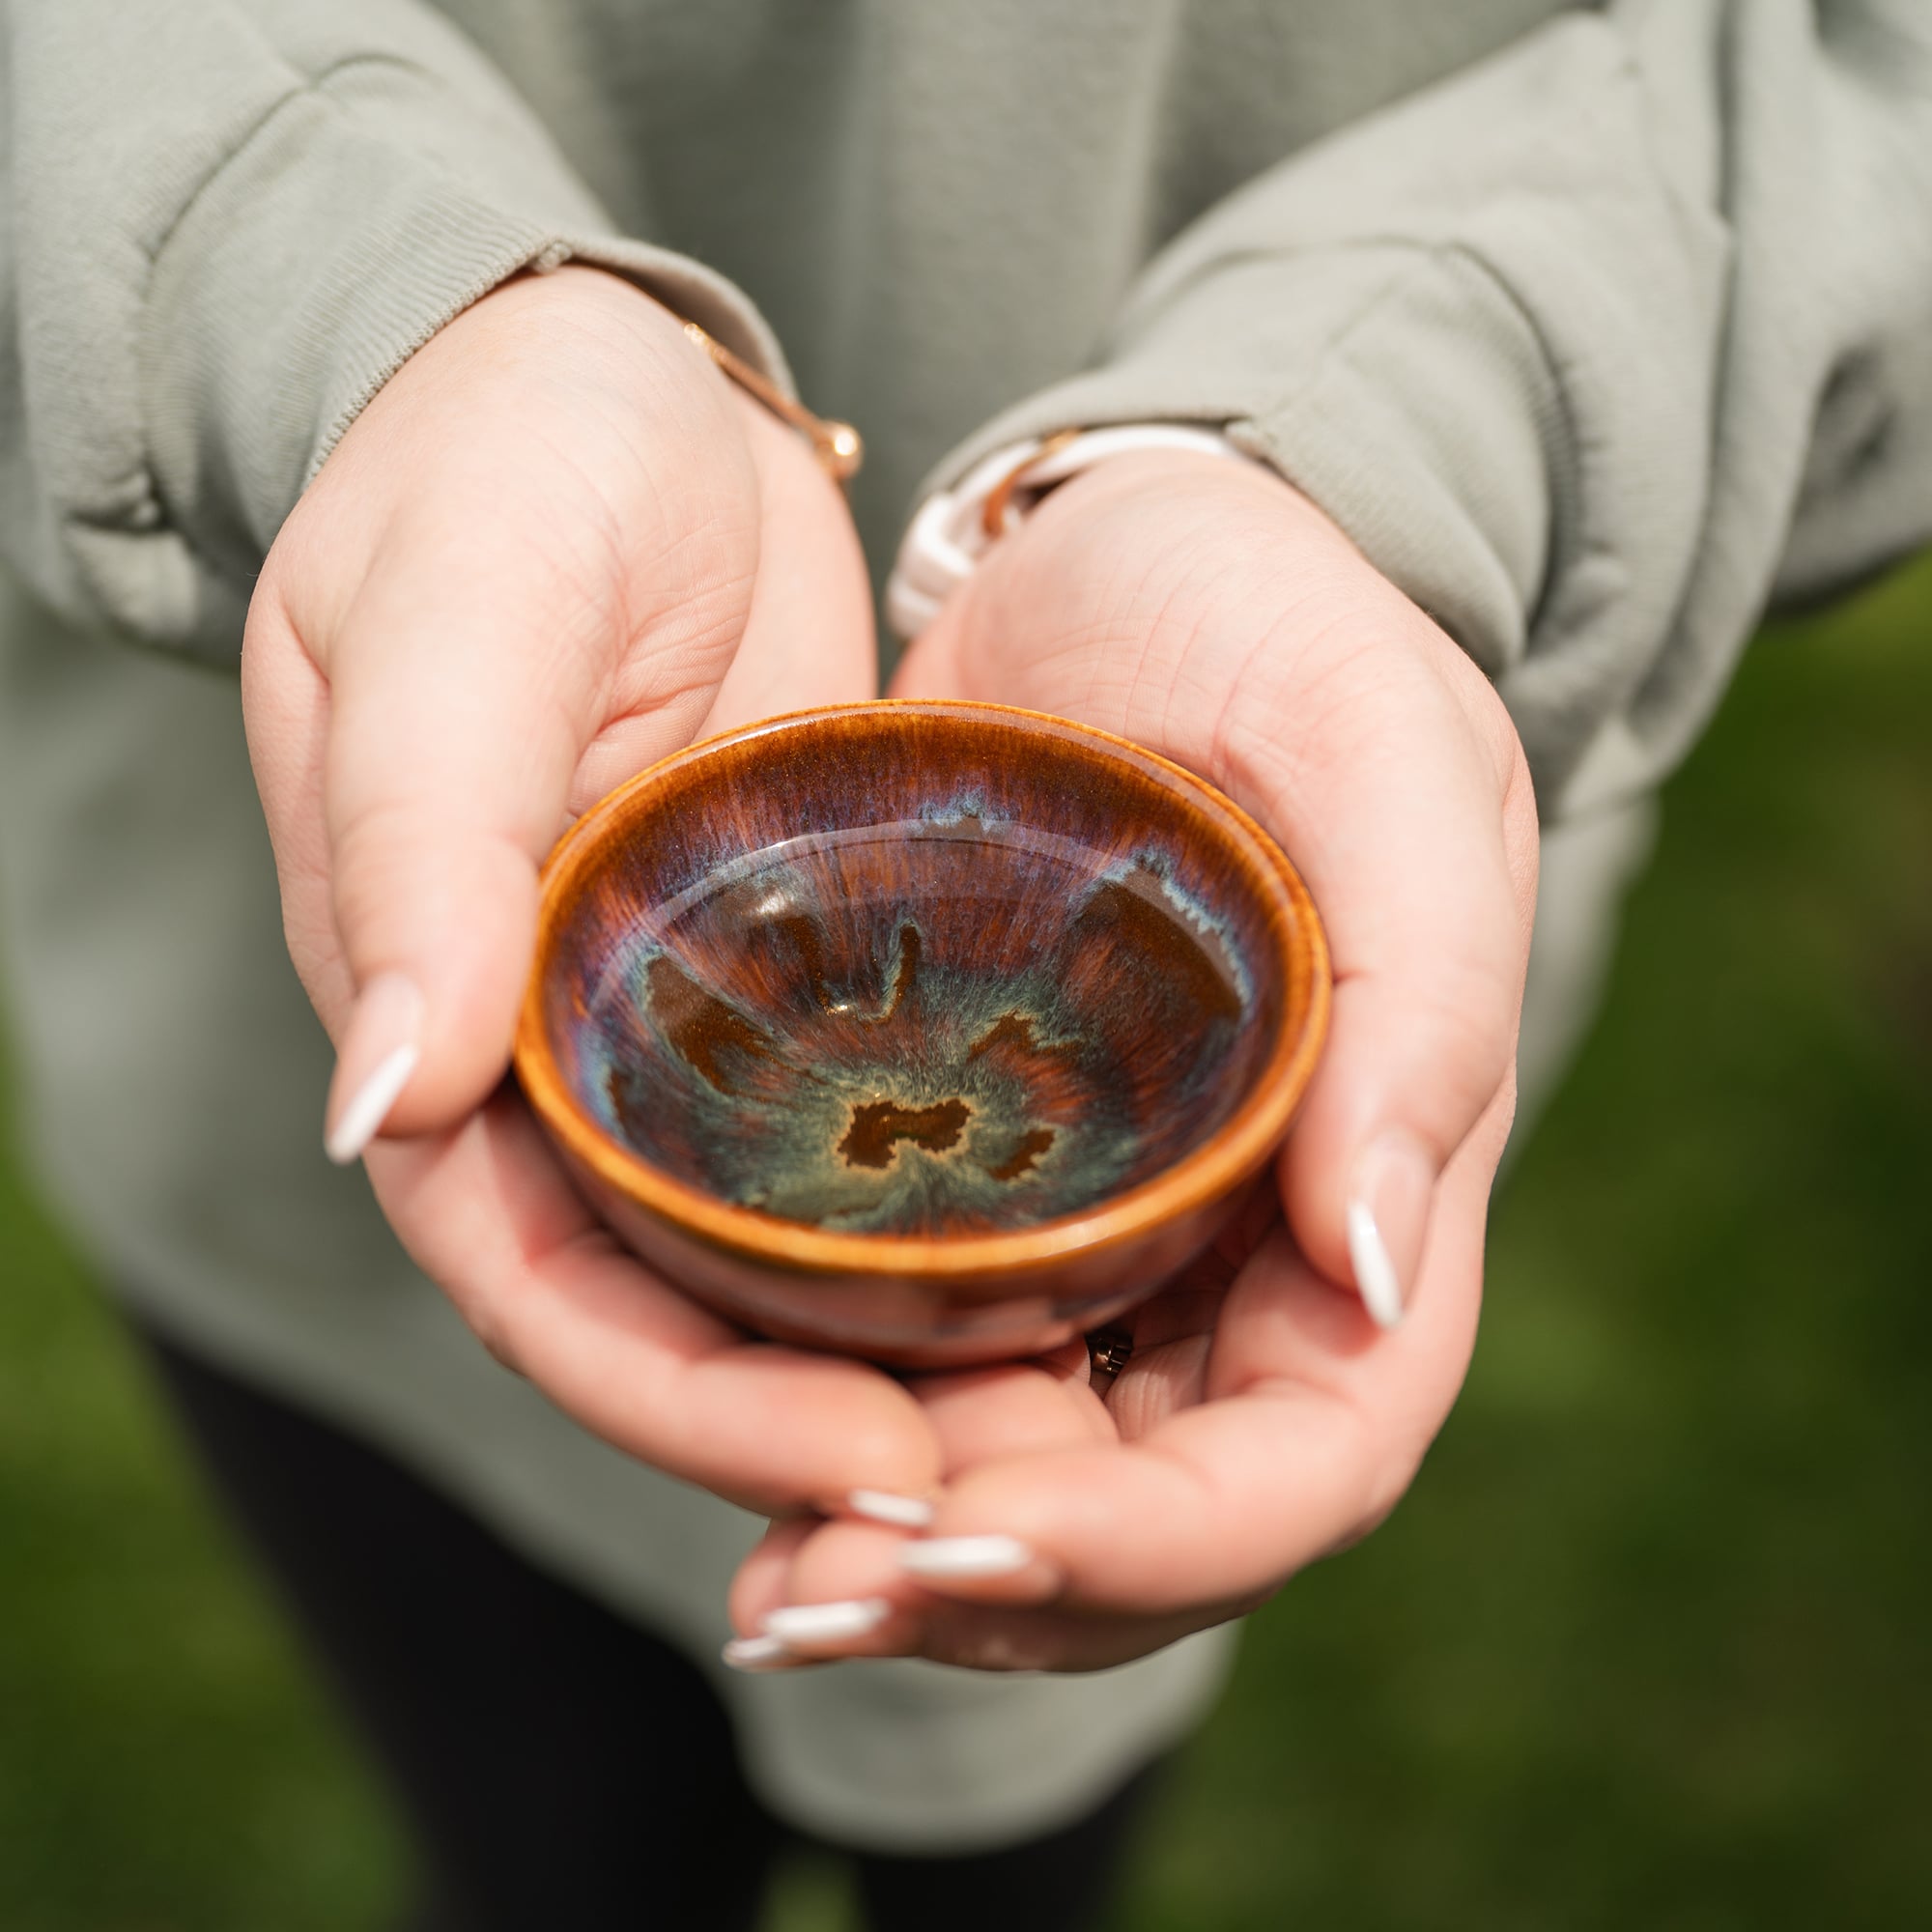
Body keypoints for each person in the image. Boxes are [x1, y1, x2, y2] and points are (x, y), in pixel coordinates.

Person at [1, 1, 1927, 1925]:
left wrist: (1424, 408)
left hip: (1277, 993)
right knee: (540, 1852)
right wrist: (326, 267)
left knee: (1013, 1815)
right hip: (303, 995)